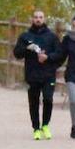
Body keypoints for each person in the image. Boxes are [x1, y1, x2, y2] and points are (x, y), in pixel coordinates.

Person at [13, 10, 61, 140]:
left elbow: (60, 54)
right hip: (32, 74)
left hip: (48, 74)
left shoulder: (52, 36)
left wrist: (48, 57)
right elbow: (16, 53)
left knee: (48, 99)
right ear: (32, 19)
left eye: (40, 17)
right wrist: (26, 49)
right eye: (36, 17)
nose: (38, 19)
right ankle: (36, 128)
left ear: (44, 19)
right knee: (34, 102)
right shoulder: (25, 36)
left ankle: (45, 125)